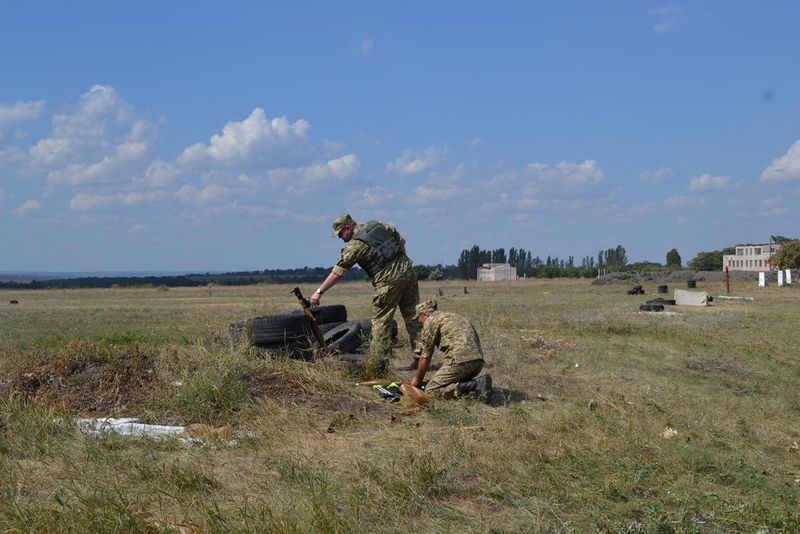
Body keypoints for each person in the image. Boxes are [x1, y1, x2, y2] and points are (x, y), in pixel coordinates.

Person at [310, 214, 421, 362]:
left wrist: (319, 292)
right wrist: (400, 265)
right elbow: (400, 241)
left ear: (348, 227)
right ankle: (422, 359)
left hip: (388, 282)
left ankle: (379, 363)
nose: (340, 238)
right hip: (408, 272)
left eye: (341, 233)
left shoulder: (356, 244)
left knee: (381, 322)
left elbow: (338, 272)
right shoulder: (378, 225)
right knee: (414, 317)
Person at [409, 300, 492, 401]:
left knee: (430, 391)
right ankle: (475, 387)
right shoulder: (453, 317)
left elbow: (425, 357)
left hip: (459, 360)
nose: (420, 323)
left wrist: (417, 380)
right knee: (444, 383)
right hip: (477, 362)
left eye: (419, 320)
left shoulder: (431, 320)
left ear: (425, 314)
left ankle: (474, 385)